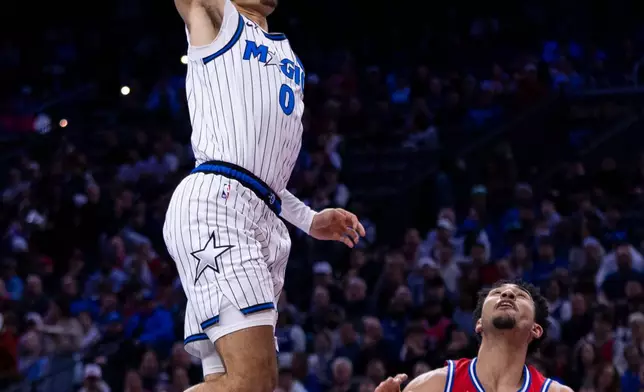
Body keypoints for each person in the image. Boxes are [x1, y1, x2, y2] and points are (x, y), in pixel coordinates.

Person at [165, 0, 366, 391]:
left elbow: (261, 172)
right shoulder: (217, 18)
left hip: (261, 210)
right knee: (253, 380)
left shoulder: (287, 54)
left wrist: (308, 218)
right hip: (218, 203)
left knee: (237, 382)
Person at [376, 280, 574, 392]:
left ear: (535, 329)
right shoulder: (433, 386)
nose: (507, 295)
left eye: (520, 296)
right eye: (497, 293)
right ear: (479, 323)